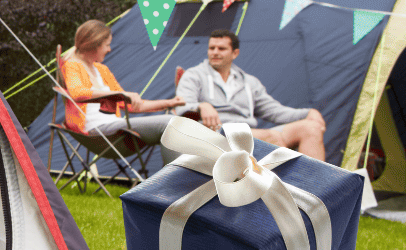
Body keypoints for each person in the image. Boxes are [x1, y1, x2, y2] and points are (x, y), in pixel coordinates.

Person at [176, 29, 326, 160]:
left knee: (311, 128)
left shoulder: (249, 82)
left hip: (250, 132)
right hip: (216, 133)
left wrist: (308, 113)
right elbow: (181, 107)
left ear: (235, 53)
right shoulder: (193, 75)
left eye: (221, 48)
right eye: (211, 48)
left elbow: (275, 111)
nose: (215, 52)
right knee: (272, 138)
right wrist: (201, 106)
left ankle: (315, 189)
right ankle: (278, 191)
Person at [63, 20, 184, 162]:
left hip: (115, 127)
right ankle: (173, 181)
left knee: (176, 123)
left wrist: (169, 102)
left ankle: (175, 179)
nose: (109, 49)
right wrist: (119, 95)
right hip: (97, 131)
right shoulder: (72, 65)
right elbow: (77, 93)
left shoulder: (102, 70)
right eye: (107, 45)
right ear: (94, 44)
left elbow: (130, 105)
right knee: (171, 123)